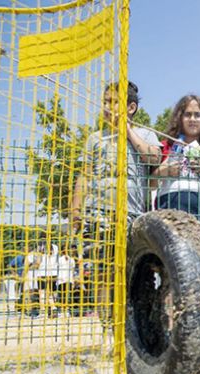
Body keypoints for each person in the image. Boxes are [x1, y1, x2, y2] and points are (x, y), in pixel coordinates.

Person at [71, 81, 161, 327]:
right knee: (102, 273)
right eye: (105, 102)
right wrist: (76, 210)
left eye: (115, 102)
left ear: (131, 107)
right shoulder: (95, 139)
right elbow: (85, 175)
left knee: (134, 272)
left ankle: (133, 325)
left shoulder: (146, 135)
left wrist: (128, 131)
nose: (108, 108)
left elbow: (153, 158)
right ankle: (106, 328)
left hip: (134, 216)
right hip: (99, 214)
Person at [154, 95, 200, 227]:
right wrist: (162, 171)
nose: (192, 119)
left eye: (197, 115)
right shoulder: (165, 146)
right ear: (179, 118)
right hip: (168, 206)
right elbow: (150, 183)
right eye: (187, 114)